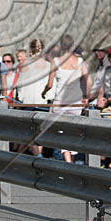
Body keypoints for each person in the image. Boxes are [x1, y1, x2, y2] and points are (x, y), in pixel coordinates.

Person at [42, 34, 91, 163]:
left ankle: (68, 162)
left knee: (62, 133)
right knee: (73, 133)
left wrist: (44, 92)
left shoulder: (56, 62)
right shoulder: (80, 62)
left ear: (61, 46)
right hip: (76, 102)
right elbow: (88, 80)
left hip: (60, 102)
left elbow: (50, 84)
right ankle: (72, 161)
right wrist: (86, 96)